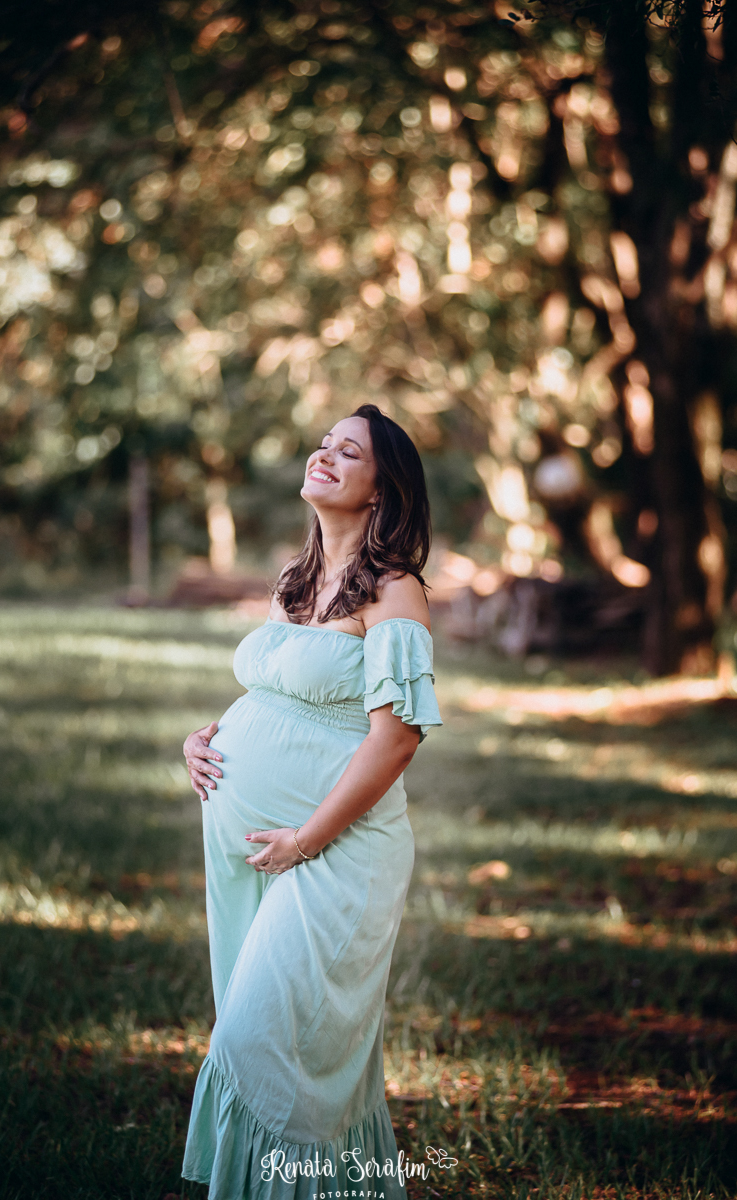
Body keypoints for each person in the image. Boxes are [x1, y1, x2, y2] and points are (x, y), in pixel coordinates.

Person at [180, 403, 443, 1199]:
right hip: (258, 851)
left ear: (379, 491)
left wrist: (306, 839)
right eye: (323, 443)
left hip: (334, 851)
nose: (324, 455)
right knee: (290, 1047)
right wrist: (204, 738)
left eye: (349, 451)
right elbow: (276, 693)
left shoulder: (395, 594)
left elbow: (397, 739)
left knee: (263, 1039)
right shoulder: (296, 584)